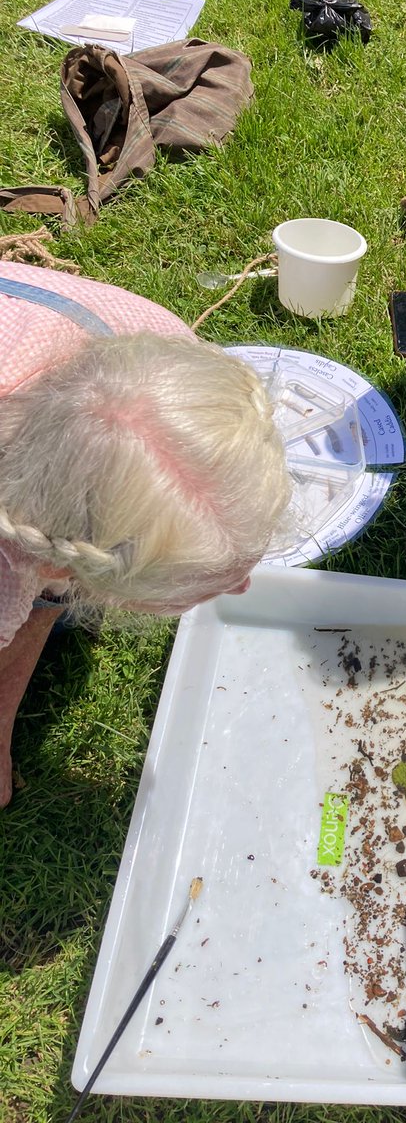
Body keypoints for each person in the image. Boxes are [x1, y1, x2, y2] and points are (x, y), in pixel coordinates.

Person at [0, 261, 293, 807]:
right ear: (61, 565)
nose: (245, 588)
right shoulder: (10, 563)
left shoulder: (166, 355)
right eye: (202, 586)